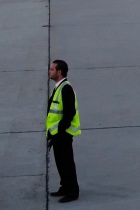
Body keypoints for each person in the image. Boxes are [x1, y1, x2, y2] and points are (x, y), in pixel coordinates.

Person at [46, 59, 80, 203]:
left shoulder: (66, 88)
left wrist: (60, 131)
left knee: (67, 163)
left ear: (59, 72)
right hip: (57, 134)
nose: (49, 71)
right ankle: (65, 187)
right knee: (60, 162)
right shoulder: (58, 87)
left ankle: (72, 192)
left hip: (63, 134)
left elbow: (69, 113)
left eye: (52, 69)